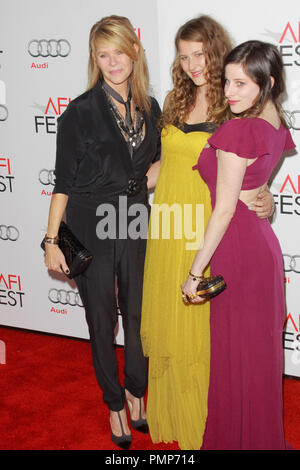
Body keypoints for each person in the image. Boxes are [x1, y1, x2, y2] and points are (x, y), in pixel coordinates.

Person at [140, 16, 274, 450]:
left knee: (202, 329)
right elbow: (164, 165)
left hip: (208, 223)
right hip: (168, 221)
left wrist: (266, 192)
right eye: (184, 56)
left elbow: (256, 157)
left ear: (216, 51)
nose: (193, 64)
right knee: (171, 322)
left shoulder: (236, 101)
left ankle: (204, 425)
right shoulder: (174, 100)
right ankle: (177, 420)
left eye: (200, 53)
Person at [43, 15, 161, 449]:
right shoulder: (80, 111)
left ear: (134, 51)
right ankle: (114, 403)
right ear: (94, 59)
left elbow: (154, 168)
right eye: (102, 54)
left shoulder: (151, 106)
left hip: (133, 216)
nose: (113, 62)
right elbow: (63, 182)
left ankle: (135, 389)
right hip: (89, 220)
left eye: (119, 51)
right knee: (102, 317)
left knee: (137, 313)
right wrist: (51, 240)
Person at [182, 40, 295, 450]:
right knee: (255, 359)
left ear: (265, 84)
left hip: (238, 251)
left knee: (238, 357)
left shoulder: (238, 129)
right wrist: (263, 198)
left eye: (241, 84)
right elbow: (257, 180)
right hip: (260, 249)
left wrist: (195, 274)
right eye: (227, 81)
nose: (229, 91)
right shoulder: (274, 120)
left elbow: (224, 211)